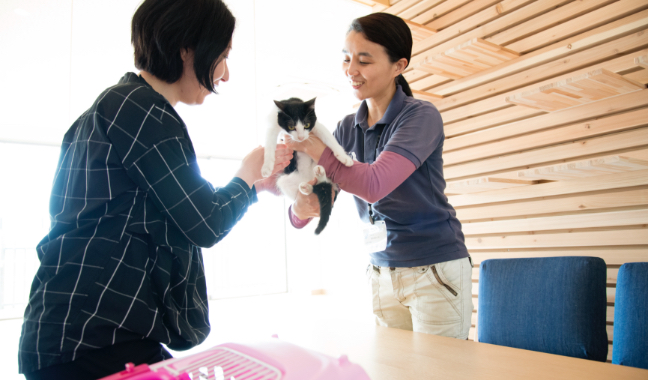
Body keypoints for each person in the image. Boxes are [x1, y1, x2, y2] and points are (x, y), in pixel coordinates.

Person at [18, 1, 292, 379]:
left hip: (79, 333)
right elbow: (205, 221)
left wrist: (254, 185)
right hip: (92, 337)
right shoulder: (140, 107)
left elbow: (180, 210)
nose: (225, 74)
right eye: (223, 56)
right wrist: (246, 176)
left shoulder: (115, 107)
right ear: (187, 48)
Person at [286, 13, 473, 339]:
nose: (351, 70)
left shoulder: (421, 116)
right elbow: (322, 200)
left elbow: (374, 185)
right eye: (346, 58)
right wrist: (298, 202)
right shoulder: (346, 127)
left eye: (364, 60)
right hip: (380, 270)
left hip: (434, 271)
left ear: (398, 65)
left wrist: (317, 148)